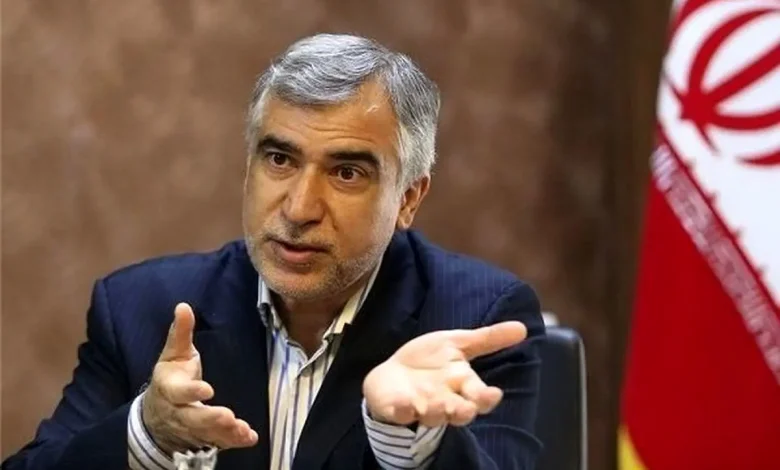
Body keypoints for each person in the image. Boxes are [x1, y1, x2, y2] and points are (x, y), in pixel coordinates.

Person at [2, 33, 545, 470]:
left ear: (408, 198)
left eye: (346, 172)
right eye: (280, 160)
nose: (299, 208)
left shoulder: (476, 320)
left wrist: (409, 440)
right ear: (249, 168)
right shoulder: (138, 309)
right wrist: (147, 433)